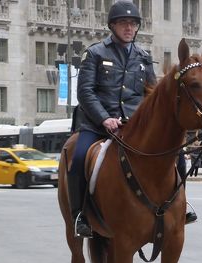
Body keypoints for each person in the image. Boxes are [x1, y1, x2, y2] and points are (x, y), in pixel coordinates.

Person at [68, 0, 156, 238]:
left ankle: (178, 207)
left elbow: (151, 94)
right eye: (123, 23)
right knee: (77, 159)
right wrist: (104, 119)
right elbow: (85, 92)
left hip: (134, 126)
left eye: (133, 24)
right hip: (98, 126)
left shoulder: (143, 56)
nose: (129, 28)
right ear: (112, 26)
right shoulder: (96, 53)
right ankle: (79, 216)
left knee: (176, 156)